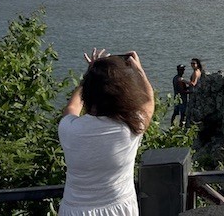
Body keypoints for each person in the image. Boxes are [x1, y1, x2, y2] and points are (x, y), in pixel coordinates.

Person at [58, 49, 154, 216]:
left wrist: (90, 76)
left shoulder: (70, 129)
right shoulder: (130, 127)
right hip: (120, 209)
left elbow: (72, 107)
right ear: (124, 93)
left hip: (74, 211)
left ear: (88, 93)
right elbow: (148, 100)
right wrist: (138, 70)